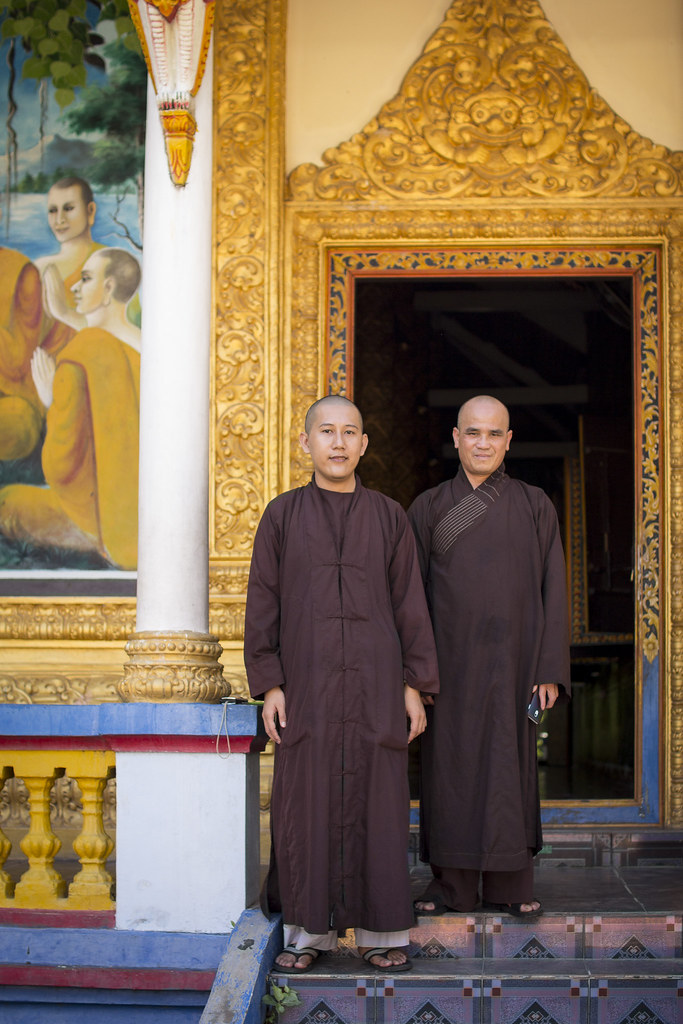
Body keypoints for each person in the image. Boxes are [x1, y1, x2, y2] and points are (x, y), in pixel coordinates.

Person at [244, 394, 439, 974]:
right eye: (325, 431)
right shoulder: (281, 516)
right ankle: (307, 937)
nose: (337, 442)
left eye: (348, 432)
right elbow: (263, 605)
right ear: (305, 442)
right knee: (305, 804)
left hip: (377, 686)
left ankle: (382, 931)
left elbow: (410, 605)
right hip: (307, 686)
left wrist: (412, 684)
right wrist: (271, 683)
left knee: (378, 804)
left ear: (363, 445)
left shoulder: (388, 517)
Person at [408, 394, 570, 918]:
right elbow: (409, 596)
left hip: (517, 667)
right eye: (472, 433)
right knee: (449, 770)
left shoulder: (533, 503)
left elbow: (554, 589)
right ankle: (450, 885)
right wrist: (416, 674)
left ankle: (509, 883)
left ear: (508, 441)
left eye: (494, 434)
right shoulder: (429, 507)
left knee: (510, 767)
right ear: (455, 437)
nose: (483, 443)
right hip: (448, 669)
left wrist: (549, 667)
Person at [0, 248, 141, 569]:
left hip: (99, 518)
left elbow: (60, 466)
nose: (75, 285)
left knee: (7, 503)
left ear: (108, 289)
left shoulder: (84, 351)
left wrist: (51, 401)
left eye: (86, 278)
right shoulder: (144, 345)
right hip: (147, 513)